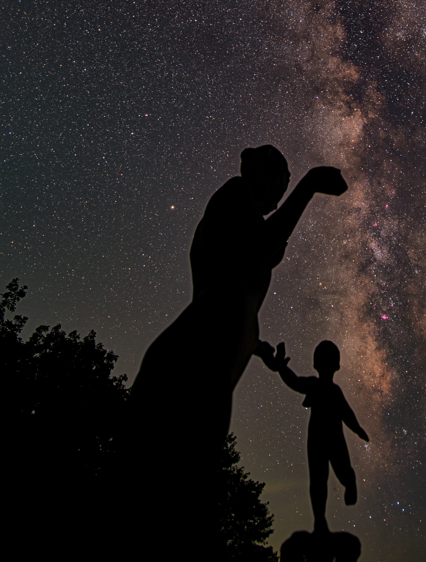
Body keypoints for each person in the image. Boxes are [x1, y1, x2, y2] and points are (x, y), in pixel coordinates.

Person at [125, 146, 347, 556]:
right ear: (264, 173)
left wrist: (259, 349)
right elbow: (258, 248)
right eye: (281, 181)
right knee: (179, 496)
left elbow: (235, 292)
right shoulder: (236, 192)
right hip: (195, 359)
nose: (279, 196)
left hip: (206, 356)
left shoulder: (237, 223)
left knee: (182, 490)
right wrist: (310, 185)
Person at [264, 339, 369, 534]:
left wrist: (357, 429)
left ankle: (349, 482)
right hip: (317, 439)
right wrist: (281, 368)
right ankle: (319, 519)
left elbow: (347, 414)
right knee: (318, 479)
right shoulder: (314, 384)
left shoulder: (334, 391)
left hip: (334, 438)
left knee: (342, 468)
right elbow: (295, 382)